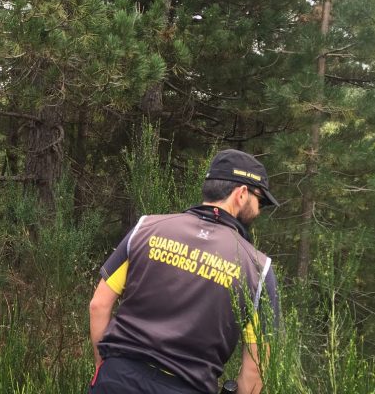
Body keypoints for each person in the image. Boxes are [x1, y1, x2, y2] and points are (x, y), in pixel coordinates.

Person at [89, 149, 280, 394]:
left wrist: (101, 365)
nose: (260, 209)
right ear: (241, 194)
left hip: (118, 378)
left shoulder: (146, 228)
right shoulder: (258, 269)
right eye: (260, 200)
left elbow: (99, 304)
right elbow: (256, 365)